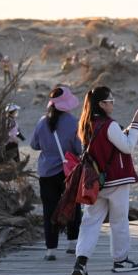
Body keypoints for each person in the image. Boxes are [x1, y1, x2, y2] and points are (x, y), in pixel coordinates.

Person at [72, 86, 138, 275]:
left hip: (95, 180)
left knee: (90, 221)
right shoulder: (109, 125)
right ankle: (121, 260)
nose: (113, 104)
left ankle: (81, 261)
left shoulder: (86, 124)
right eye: (110, 101)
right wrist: (136, 125)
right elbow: (127, 147)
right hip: (116, 178)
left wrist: (127, 130)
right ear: (102, 104)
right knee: (119, 220)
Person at [30, 87, 83, 261]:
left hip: (47, 173)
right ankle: (72, 244)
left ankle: (50, 250)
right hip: (68, 172)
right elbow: (78, 148)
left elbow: (34, 145)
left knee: (49, 210)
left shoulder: (41, 121)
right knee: (73, 206)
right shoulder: (73, 122)